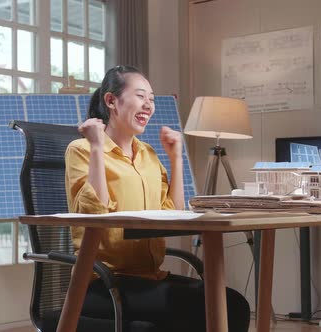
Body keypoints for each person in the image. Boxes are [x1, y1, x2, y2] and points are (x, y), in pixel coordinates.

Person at [65, 65, 250, 331]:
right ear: (111, 101)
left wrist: (175, 157)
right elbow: (96, 213)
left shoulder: (148, 154)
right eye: (141, 96)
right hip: (103, 282)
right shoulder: (81, 150)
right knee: (195, 310)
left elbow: (173, 215)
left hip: (150, 277)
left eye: (151, 99)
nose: (149, 105)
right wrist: (96, 147)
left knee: (234, 304)